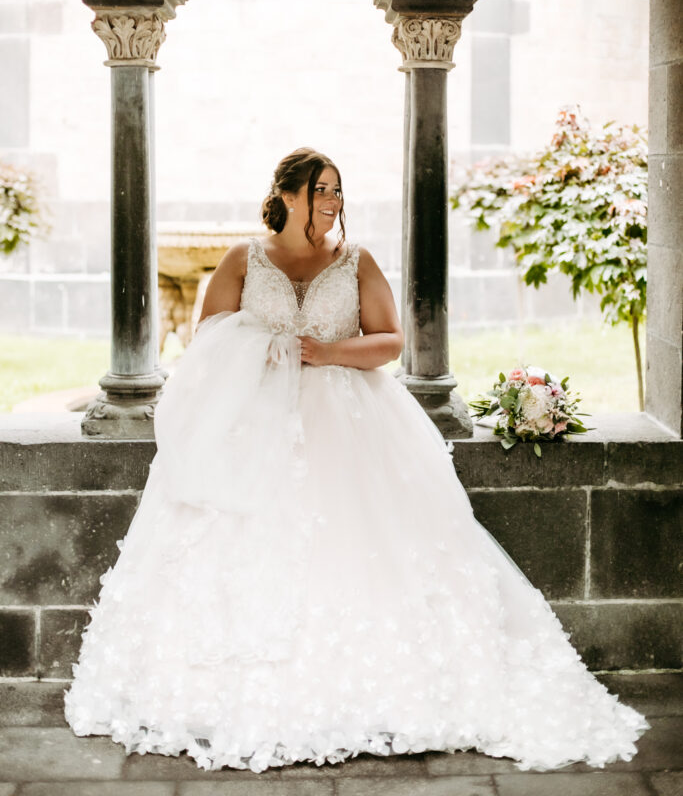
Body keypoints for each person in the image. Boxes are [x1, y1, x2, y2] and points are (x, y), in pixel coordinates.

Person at [64, 147, 648, 774]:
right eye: (321, 189)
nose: (333, 200)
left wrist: (327, 352)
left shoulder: (356, 261)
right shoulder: (243, 258)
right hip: (254, 431)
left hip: (348, 425)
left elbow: (391, 341)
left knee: (356, 541)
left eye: (337, 190)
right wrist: (263, 346)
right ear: (287, 195)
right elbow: (207, 343)